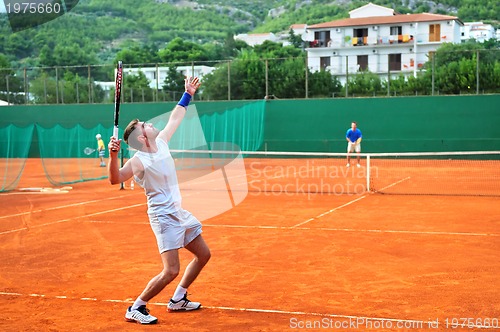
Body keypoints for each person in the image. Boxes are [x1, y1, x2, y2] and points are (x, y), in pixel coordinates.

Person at [107, 77, 211, 325]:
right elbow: (115, 178)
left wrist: (188, 94)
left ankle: (178, 299)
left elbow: (176, 116)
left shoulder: (161, 143)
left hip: (178, 212)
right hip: (163, 218)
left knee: (204, 254)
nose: (149, 124)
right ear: (142, 138)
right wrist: (113, 156)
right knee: (171, 270)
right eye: (145, 125)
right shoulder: (139, 160)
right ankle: (136, 306)